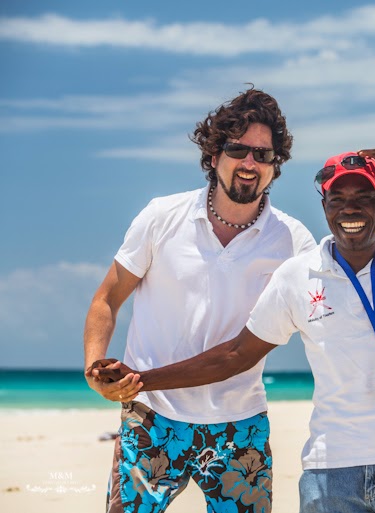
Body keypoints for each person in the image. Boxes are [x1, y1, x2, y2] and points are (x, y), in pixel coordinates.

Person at [92, 149, 375, 513]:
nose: (350, 209)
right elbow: (236, 355)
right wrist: (140, 379)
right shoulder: (296, 275)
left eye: (364, 197)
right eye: (337, 198)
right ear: (325, 208)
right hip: (330, 469)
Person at [83, 87, 316, 513]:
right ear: (213, 156)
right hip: (150, 419)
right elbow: (107, 300)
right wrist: (94, 365)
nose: (250, 163)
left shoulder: (294, 241)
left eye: (263, 155)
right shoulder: (161, 216)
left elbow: (334, 301)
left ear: (274, 167)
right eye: (237, 149)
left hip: (239, 425)